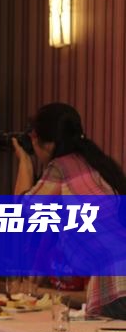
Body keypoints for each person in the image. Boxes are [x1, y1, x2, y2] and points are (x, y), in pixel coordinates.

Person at [12, 102, 126, 318]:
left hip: (115, 280)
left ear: (42, 141)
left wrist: (25, 162)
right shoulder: (97, 164)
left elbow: (22, 210)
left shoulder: (62, 167)